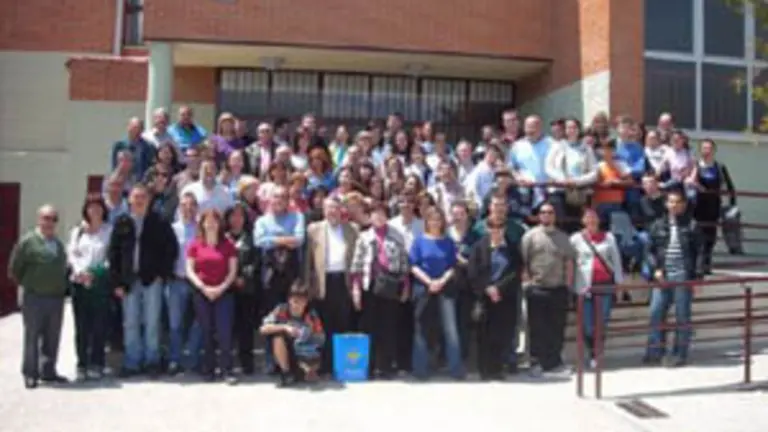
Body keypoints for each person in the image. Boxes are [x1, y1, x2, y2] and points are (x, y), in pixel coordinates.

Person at [108, 183, 178, 378]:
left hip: (151, 280)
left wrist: (161, 273)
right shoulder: (122, 222)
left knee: (152, 321)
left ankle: (152, 361)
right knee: (130, 322)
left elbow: (170, 250)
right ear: (129, 200)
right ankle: (132, 362)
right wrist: (117, 283)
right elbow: (113, 254)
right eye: (135, 197)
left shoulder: (159, 222)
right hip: (128, 280)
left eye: (143, 197)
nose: (139, 200)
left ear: (149, 200)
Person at [9, 205, 69, 389]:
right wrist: (29, 285)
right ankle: (30, 373)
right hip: (34, 297)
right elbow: (15, 269)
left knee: (52, 336)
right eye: (46, 218)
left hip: (55, 298)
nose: (49, 222)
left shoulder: (58, 244)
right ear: (39, 219)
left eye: (53, 219)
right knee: (32, 336)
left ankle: (48, 371)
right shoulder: (28, 242)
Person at [643, 190, 704, 367]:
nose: (674, 205)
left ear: (684, 205)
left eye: (678, 202)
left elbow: (700, 252)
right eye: (671, 202)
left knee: (682, 316)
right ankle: (655, 351)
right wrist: (655, 269)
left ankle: (680, 354)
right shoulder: (657, 225)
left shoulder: (692, 226)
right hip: (662, 275)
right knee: (656, 313)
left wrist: (698, 276)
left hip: (683, 275)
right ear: (666, 204)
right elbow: (649, 250)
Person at [350, 202, 410, 378]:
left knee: (389, 326)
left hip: (391, 286)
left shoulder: (396, 235)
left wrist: (405, 285)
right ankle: (369, 365)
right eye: (375, 214)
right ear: (369, 217)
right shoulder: (363, 237)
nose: (379, 217)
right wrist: (356, 288)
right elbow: (357, 264)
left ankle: (385, 366)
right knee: (370, 326)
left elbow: (404, 263)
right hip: (370, 285)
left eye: (382, 213)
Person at [304, 197, 359, 374]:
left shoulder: (352, 229)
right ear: (323, 210)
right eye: (328, 208)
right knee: (323, 325)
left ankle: (341, 364)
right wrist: (307, 285)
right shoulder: (313, 229)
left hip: (344, 280)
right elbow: (308, 261)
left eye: (335, 208)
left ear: (341, 210)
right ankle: (324, 365)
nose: (332, 211)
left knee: (343, 322)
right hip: (322, 282)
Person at [521, 201, 576, 376]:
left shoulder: (563, 237)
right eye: (543, 212)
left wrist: (568, 284)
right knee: (537, 328)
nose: (547, 215)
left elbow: (569, 262)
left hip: (558, 288)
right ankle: (536, 363)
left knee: (557, 328)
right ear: (539, 215)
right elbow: (523, 262)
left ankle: (554, 363)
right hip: (537, 288)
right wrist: (527, 284)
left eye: (550, 212)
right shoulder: (530, 236)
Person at [409, 206, 464, 380]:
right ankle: (420, 370)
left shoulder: (447, 242)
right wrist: (429, 281)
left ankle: (456, 369)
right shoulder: (419, 241)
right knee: (421, 329)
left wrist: (441, 281)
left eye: (438, 220)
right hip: (423, 288)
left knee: (450, 329)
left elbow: (452, 266)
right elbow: (413, 265)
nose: (435, 223)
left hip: (445, 287)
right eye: (432, 219)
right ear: (427, 222)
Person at [468, 214, 522, 380]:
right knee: (484, 334)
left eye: (500, 227)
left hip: (505, 298)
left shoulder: (512, 248)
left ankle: (497, 369)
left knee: (502, 334)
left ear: (504, 229)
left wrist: (499, 289)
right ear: (487, 229)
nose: (496, 230)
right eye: (492, 227)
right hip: (484, 298)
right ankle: (484, 370)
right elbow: (473, 272)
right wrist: (487, 288)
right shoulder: (479, 246)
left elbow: (516, 272)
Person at [67, 194, 113, 381]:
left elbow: (111, 257)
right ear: (85, 210)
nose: (95, 211)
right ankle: (82, 364)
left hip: (100, 283)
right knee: (81, 326)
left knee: (99, 325)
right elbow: (72, 254)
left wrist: (96, 272)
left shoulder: (109, 230)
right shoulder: (77, 232)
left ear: (103, 210)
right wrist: (80, 272)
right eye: (91, 207)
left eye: (98, 207)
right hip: (79, 283)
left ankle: (97, 363)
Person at [570, 208, 623, 369]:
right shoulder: (575, 239)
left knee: (602, 321)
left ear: (599, 220)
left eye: (594, 217)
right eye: (588, 218)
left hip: (605, 284)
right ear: (583, 221)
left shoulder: (609, 237)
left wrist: (619, 284)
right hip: (585, 286)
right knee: (587, 323)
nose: (591, 220)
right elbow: (571, 262)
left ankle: (597, 354)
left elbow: (616, 260)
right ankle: (592, 352)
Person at [260, 282, 325, 387]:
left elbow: (321, 340)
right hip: (286, 350)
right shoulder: (281, 310)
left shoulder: (311, 315)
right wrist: (285, 327)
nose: (297, 305)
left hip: (305, 353)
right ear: (289, 300)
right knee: (278, 337)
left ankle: (307, 371)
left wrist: (308, 332)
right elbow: (263, 329)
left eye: (302, 302)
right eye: (295, 301)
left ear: (306, 302)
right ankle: (286, 373)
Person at [687, 139, 736, 274]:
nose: (706, 151)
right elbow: (688, 181)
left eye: (709, 148)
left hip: (713, 205)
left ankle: (706, 264)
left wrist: (731, 204)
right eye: (704, 148)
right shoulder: (695, 165)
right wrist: (697, 185)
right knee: (697, 236)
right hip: (698, 206)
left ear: (714, 151)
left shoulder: (719, 167)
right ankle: (698, 266)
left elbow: (730, 186)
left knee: (711, 237)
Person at [253, 186, 305, 314]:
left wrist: (271, 239)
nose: (279, 200)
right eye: (276, 196)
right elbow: (259, 241)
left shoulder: (297, 217)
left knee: (292, 310)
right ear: (270, 199)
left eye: (283, 197)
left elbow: (299, 239)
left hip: (291, 271)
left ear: (288, 200)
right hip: (270, 273)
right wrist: (286, 239)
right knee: (271, 311)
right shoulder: (262, 221)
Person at [225, 202, 260, 376]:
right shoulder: (223, 237)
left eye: (240, 216)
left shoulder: (251, 238)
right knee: (227, 327)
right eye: (233, 215)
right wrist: (231, 278)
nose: (236, 219)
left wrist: (243, 277)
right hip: (226, 289)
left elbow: (255, 261)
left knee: (246, 327)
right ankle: (228, 364)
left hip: (246, 289)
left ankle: (247, 362)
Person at [168, 192, 200, 375]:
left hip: (197, 282)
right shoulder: (172, 229)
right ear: (179, 208)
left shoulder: (201, 230)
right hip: (177, 281)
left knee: (198, 323)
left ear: (196, 208)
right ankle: (175, 359)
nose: (188, 209)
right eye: (184, 205)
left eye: (191, 205)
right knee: (175, 324)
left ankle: (192, 358)